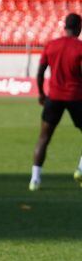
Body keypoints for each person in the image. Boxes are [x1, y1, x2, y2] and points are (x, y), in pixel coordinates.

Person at [28, 12, 82, 191]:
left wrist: (42, 93)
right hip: (76, 97)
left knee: (44, 138)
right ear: (79, 28)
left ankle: (35, 180)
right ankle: (81, 169)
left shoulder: (51, 45)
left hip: (54, 97)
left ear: (64, 26)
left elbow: (40, 71)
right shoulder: (80, 47)